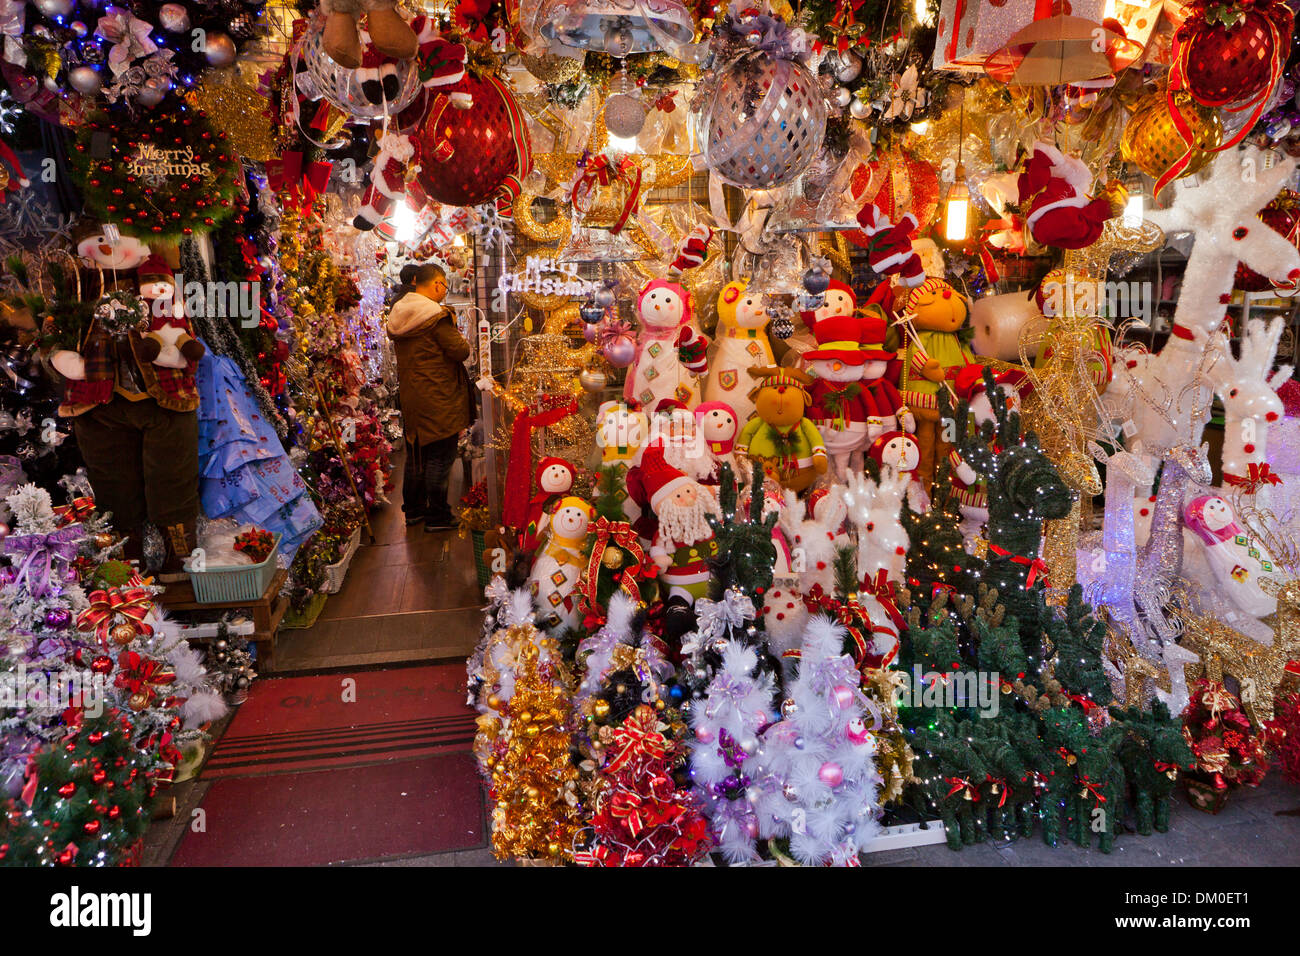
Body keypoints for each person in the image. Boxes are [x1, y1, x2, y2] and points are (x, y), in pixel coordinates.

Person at [387, 263, 474, 532]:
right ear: (437, 285)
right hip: (438, 394)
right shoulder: (434, 316)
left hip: (414, 394)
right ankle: (437, 516)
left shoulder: (400, 312)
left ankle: (413, 511)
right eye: (444, 287)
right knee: (440, 454)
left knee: (417, 454)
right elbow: (460, 351)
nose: (444, 292)